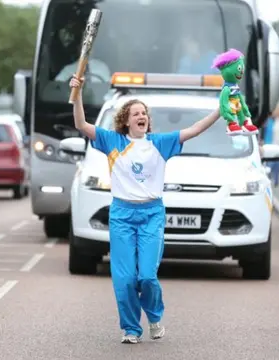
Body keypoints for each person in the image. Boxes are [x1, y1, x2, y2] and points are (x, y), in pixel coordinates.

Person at [69, 74, 221, 344]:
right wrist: (77, 93)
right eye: (136, 113)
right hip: (122, 215)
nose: (142, 116)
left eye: (144, 113)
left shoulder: (159, 143)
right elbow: (81, 124)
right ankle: (130, 329)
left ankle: (153, 315)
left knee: (147, 276)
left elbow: (195, 129)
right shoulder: (111, 141)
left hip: (151, 214)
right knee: (125, 279)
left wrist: (221, 109)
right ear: (126, 120)